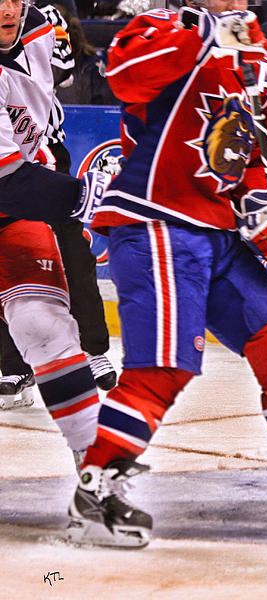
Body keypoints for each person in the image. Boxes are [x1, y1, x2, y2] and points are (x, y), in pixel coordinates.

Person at [65, 0, 267, 548]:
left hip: (220, 234)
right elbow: (123, 74)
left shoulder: (262, 66)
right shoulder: (164, 27)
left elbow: (249, 154)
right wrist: (203, 32)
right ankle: (97, 489)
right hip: (158, 223)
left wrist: (264, 216)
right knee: (162, 368)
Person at [0, 0, 114, 465]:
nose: (6, 8)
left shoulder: (45, 24)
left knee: (43, 324)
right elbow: (8, 179)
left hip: (23, 189)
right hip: (11, 183)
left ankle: (95, 477)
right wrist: (85, 196)